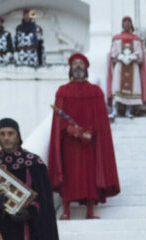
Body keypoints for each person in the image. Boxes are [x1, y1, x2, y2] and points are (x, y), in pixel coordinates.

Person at [48, 52, 121, 220]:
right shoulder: (62, 91)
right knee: (69, 174)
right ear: (70, 68)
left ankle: (90, 210)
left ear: (86, 68)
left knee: (90, 174)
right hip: (70, 143)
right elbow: (59, 121)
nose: (78, 66)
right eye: (75, 63)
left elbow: (100, 119)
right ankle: (66, 210)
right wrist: (72, 131)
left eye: (81, 63)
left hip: (90, 143)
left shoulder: (95, 91)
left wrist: (90, 132)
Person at [107, 16, 146, 119]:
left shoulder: (137, 40)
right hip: (120, 65)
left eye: (129, 22)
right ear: (122, 25)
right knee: (117, 87)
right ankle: (114, 111)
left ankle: (128, 111)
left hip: (133, 66)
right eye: (125, 23)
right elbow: (113, 54)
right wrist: (120, 57)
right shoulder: (117, 38)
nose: (127, 24)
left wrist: (132, 57)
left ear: (131, 25)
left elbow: (140, 54)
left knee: (133, 88)